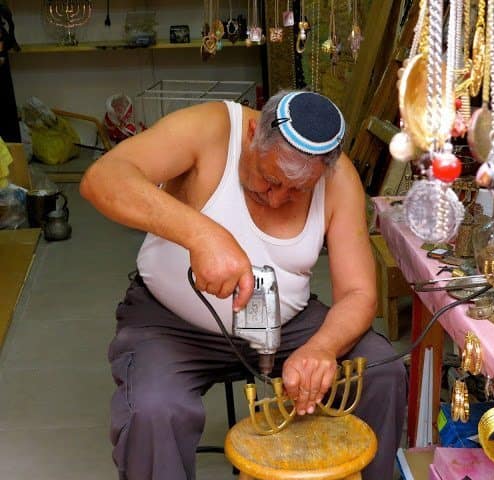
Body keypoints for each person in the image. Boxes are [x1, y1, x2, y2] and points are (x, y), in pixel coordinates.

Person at [80, 90, 408, 480]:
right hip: (172, 322)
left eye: (297, 190)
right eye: (270, 180)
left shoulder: (339, 178)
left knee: (382, 370)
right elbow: (103, 178)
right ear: (254, 133)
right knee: (154, 409)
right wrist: (202, 235)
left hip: (285, 323)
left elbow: (358, 293)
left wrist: (322, 348)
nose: (277, 199)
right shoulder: (211, 129)